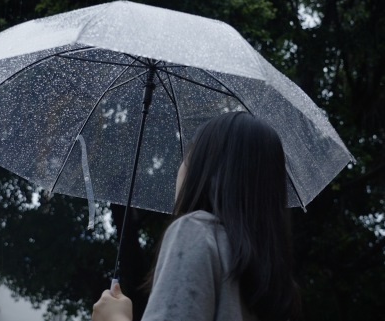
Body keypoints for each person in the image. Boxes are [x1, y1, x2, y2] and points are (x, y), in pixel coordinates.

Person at [92, 111, 302, 321]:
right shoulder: (273, 278)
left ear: (206, 171)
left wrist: (114, 318)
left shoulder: (195, 231)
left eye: (188, 157)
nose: (180, 169)